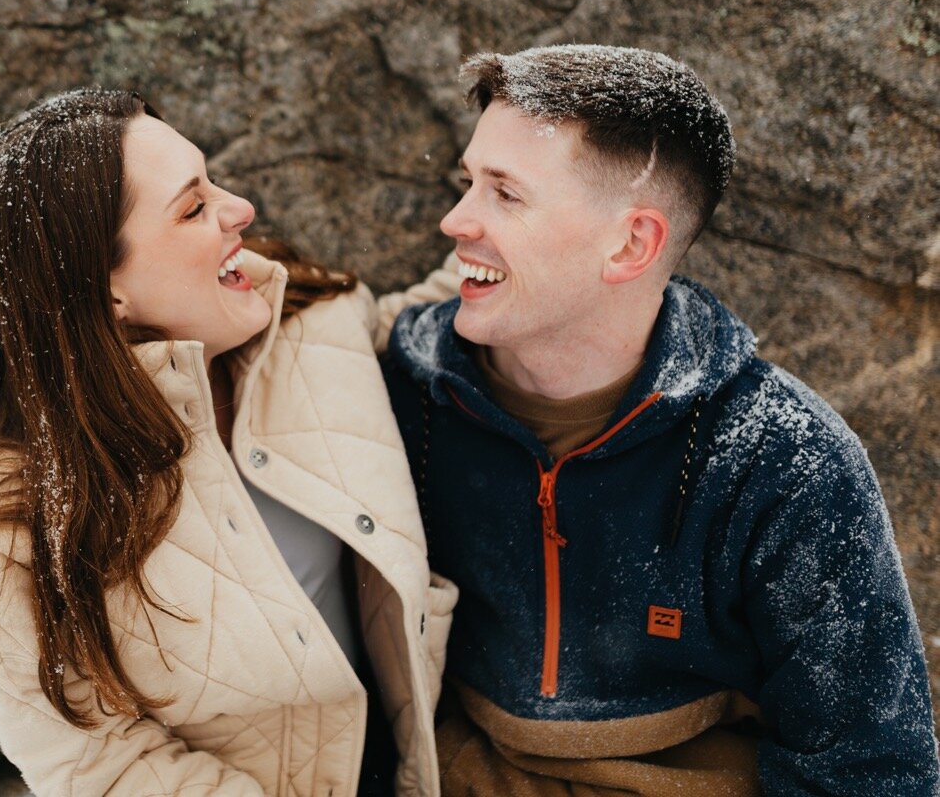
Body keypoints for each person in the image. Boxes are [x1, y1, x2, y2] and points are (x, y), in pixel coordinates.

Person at [382, 44, 940, 794]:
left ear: (631, 243)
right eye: (468, 183)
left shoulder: (785, 459)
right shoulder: (405, 397)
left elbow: (869, 771)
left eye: (505, 195)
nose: (456, 221)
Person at [0, 88, 458, 796]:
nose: (240, 209)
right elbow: (95, 765)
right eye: (193, 207)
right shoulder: (9, 515)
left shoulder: (312, 316)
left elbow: (443, 321)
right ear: (106, 293)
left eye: (211, 181)